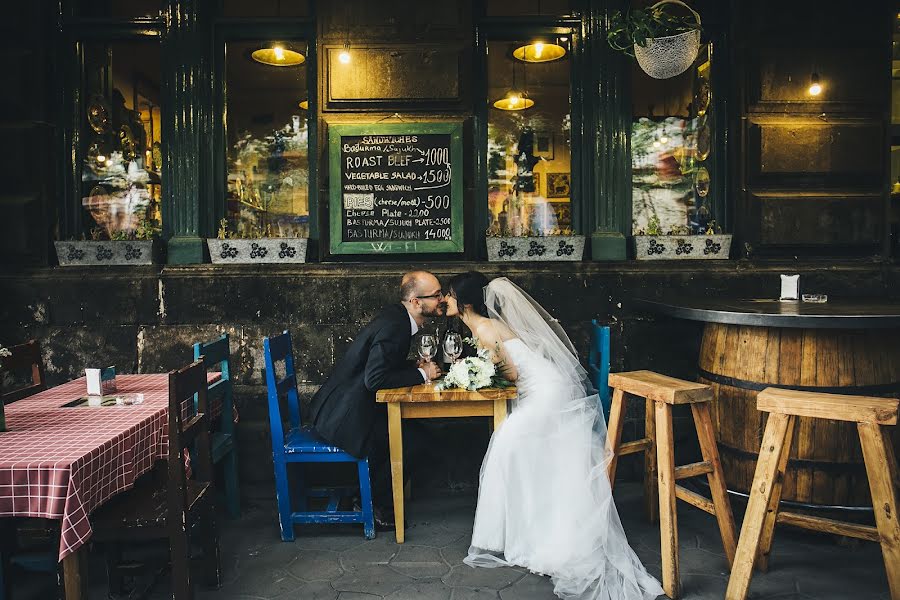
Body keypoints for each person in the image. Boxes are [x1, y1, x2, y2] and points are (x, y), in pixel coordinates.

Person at [444, 272, 664, 600]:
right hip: (544, 388)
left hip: (545, 394)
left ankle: (527, 535)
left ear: (465, 303)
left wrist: (472, 376)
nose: (444, 301)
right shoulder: (482, 326)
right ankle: (528, 529)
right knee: (527, 454)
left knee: (506, 446)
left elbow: (512, 374)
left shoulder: (485, 329)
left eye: (447, 295)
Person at [308, 270, 445, 527]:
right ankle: (371, 503)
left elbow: (380, 365)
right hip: (345, 416)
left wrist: (410, 367)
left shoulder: (397, 317)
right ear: (416, 302)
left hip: (345, 406)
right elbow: (375, 379)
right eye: (436, 295)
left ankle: (367, 496)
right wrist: (421, 373)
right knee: (417, 441)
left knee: (415, 434)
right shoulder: (397, 327)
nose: (442, 299)